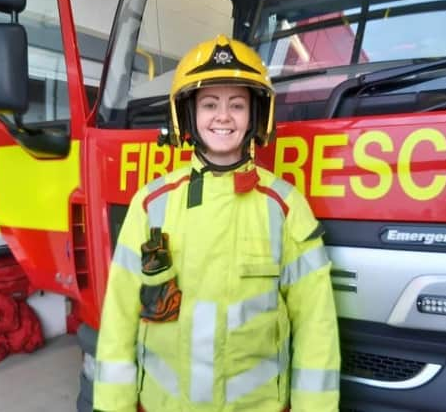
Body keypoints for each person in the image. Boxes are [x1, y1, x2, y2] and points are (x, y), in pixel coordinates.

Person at [93, 35, 340, 412]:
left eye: (237, 105)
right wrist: (112, 406)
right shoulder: (151, 204)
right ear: (187, 115)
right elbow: (119, 318)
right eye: (209, 104)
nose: (223, 116)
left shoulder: (286, 207)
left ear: (256, 115)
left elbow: (316, 326)